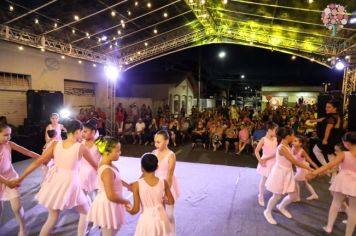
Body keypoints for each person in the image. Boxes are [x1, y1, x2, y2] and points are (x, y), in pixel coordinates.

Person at [8, 119, 98, 236]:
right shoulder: (80, 148)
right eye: (82, 132)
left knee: (52, 218)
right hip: (70, 182)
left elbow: (37, 162)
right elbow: (96, 166)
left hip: (55, 181)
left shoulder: (56, 144)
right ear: (77, 131)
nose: (82, 134)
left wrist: (21, 178)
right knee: (85, 211)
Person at [307, 132, 356, 236]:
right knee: (353, 211)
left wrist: (314, 173)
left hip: (343, 180)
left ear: (347, 143)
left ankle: (329, 227)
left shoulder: (344, 154)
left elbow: (329, 165)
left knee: (335, 204)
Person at [263, 127, 313, 225]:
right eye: (293, 135)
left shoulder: (287, 146)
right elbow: (294, 161)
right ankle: (267, 211)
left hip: (288, 172)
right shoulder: (282, 147)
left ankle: (281, 206)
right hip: (280, 173)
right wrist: (309, 168)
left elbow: (295, 160)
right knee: (277, 195)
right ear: (287, 136)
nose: (294, 137)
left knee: (294, 195)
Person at [0, 123, 40, 236]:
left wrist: (42, 157)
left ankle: (23, 229)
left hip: (11, 176)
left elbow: (26, 151)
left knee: (17, 207)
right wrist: (7, 183)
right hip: (3, 180)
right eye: (5, 135)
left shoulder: (9, 144)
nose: (8, 138)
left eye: (10, 135)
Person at [87, 136, 131, 236]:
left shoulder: (108, 163)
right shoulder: (107, 170)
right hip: (108, 203)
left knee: (113, 229)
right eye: (117, 151)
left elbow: (116, 178)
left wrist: (127, 185)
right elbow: (110, 195)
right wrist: (126, 201)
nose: (120, 153)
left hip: (113, 201)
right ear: (107, 153)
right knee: (109, 232)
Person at [126, 153, 174, 236]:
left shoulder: (136, 184)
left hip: (147, 220)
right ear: (157, 167)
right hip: (161, 217)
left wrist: (128, 209)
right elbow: (171, 201)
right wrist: (164, 200)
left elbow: (136, 210)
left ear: (141, 168)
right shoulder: (163, 182)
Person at [152, 130, 181, 235]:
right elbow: (150, 171)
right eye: (155, 141)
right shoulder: (154, 153)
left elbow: (169, 176)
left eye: (158, 142)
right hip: (155, 185)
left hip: (168, 185)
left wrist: (166, 193)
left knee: (169, 215)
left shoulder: (171, 155)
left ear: (167, 141)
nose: (156, 144)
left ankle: (172, 234)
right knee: (158, 214)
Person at [313, 100, 342, 167]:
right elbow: (323, 119)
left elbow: (328, 129)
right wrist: (314, 120)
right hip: (333, 139)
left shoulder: (331, 117)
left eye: (329, 107)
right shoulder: (335, 115)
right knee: (330, 154)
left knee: (316, 150)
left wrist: (325, 139)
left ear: (335, 108)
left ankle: (327, 168)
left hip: (329, 139)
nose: (326, 108)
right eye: (326, 107)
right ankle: (333, 172)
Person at [255, 122, 278, 207]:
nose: (277, 132)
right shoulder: (263, 139)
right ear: (269, 130)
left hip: (274, 161)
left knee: (272, 178)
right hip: (266, 162)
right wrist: (260, 160)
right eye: (275, 130)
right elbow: (256, 151)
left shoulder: (275, 138)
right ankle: (260, 195)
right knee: (264, 179)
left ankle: (273, 194)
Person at [292, 135, 319, 201]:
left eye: (295, 141)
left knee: (295, 181)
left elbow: (310, 161)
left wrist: (318, 169)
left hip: (303, 169)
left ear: (300, 143)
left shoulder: (302, 151)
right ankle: (314, 194)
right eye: (293, 140)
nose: (293, 142)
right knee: (305, 183)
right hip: (299, 168)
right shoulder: (292, 148)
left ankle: (297, 197)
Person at [80, 119, 101, 201]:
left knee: (97, 199)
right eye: (82, 131)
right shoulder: (81, 143)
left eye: (85, 131)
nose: (82, 133)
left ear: (93, 132)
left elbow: (107, 158)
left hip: (96, 173)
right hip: (82, 173)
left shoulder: (99, 144)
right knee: (82, 199)